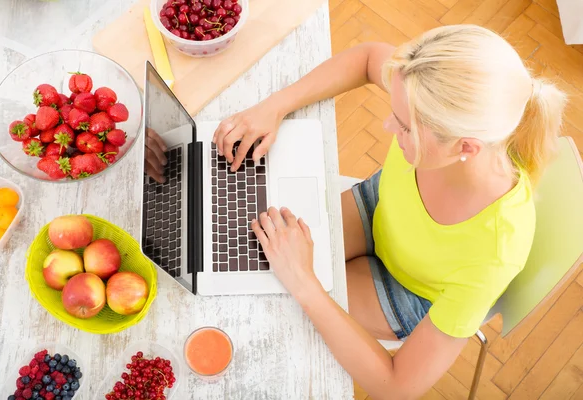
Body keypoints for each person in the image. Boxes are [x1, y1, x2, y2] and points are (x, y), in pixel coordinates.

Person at [147, 24, 568, 399]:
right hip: (380, 209)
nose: (389, 128)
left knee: (275, 303)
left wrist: (305, 280)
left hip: (408, 288)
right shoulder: (431, 92)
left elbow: (398, 385)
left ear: (466, 148)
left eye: (404, 127)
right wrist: (274, 106)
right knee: (248, 256)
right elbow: (369, 58)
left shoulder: (495, 250)